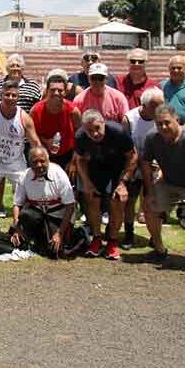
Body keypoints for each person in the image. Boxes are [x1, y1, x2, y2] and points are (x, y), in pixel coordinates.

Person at [141, 104, 185, 276]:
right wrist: (150, 192)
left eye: (167, 122)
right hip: (169, 181)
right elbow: (145, 164)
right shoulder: (152, 138)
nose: (163, 127)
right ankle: (159, 249)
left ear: (177, 120)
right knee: (149, 208)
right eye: (159, 124)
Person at [0, 80, 41, 232]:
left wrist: (43, 162)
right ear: (1, 94)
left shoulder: (24, 118)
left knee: (28, 196)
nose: (11, 98)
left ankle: (17, 226)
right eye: (7, 94)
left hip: (16, 164)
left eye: (14, 95)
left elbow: (36, 143)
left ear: (18, 97)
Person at [75, 110, 137, 261]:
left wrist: (124, 182)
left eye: (97, 128)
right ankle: (96, 237)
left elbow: (133, 155)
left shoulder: (118, 132)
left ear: (103, 122)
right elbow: (80, 160)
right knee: (91, 197)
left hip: (117, 168)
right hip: (96, 167)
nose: (95, 134)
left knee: (118, 200)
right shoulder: (81, 136)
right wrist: (87, 183)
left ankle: (112, 241)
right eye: (90, 131)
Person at [9, 147, 77, 259]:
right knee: (25, 217)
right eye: (34, 162)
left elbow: (70, 206)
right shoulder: (24, 176)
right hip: (37, 214)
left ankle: (78, 235)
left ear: (48, 159)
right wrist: (17, 228)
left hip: (58, 216)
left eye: (42, 161)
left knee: (54, 252)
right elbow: (17, 204)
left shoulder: (59, 174)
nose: (39, 165)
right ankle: (34, 238)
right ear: (29, 163)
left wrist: (59, 234)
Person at [121, 86, 164, 249]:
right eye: (156, 106)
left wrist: (159, 163)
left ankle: (155, 235)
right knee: (130, 201)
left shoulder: (162, 119)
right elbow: (124, 146)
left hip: (153, 167)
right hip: (133, 166)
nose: (160, 109)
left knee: (151, 202)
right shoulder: (129, 119)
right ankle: (129, 233)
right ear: (145, 105)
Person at [29, 69, 81, 173]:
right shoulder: (36, 110)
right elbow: (31, 135)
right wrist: (46, 142)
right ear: (46, 91)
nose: (56, 93)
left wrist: (74, 162)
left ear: (65, 92)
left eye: (60, 90)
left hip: (68, 156)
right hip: (44, 155)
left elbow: (80, 138)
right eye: (52, 90)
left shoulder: (73, 111)